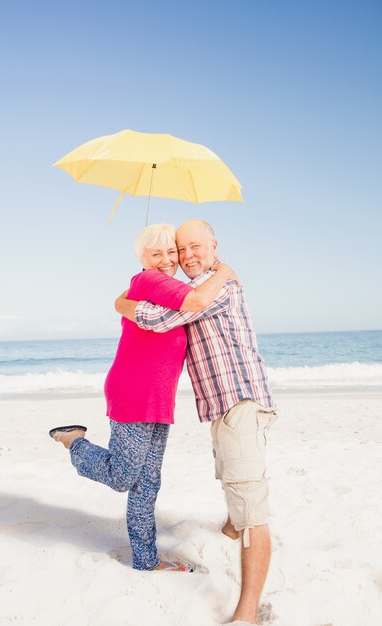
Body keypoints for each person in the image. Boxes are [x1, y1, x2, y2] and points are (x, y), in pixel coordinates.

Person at [49, 223, 237, 573]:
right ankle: (74, 442)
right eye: (156, 254)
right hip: (133, 392)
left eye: (171, 253)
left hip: (159, 400)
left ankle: (146, 561)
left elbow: (184, 298)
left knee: (148, 483)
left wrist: (121, 300)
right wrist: (224, 269)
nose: (167, 260)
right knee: (123, 477)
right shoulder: (149, 281)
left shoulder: (166, 287)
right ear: (142, 258)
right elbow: (198, 298)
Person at [115, 220, 277, 624]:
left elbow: (155, 320)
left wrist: (123, 302)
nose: (186, 256)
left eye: (194, 247)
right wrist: (128, 295)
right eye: (179, 249)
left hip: (241, 402)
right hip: (222, 407)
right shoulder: (197, 287)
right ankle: (230, 529)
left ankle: (246, 612)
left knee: (251, 506)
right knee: (230, 477)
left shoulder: (216, 286)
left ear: (214, 246)